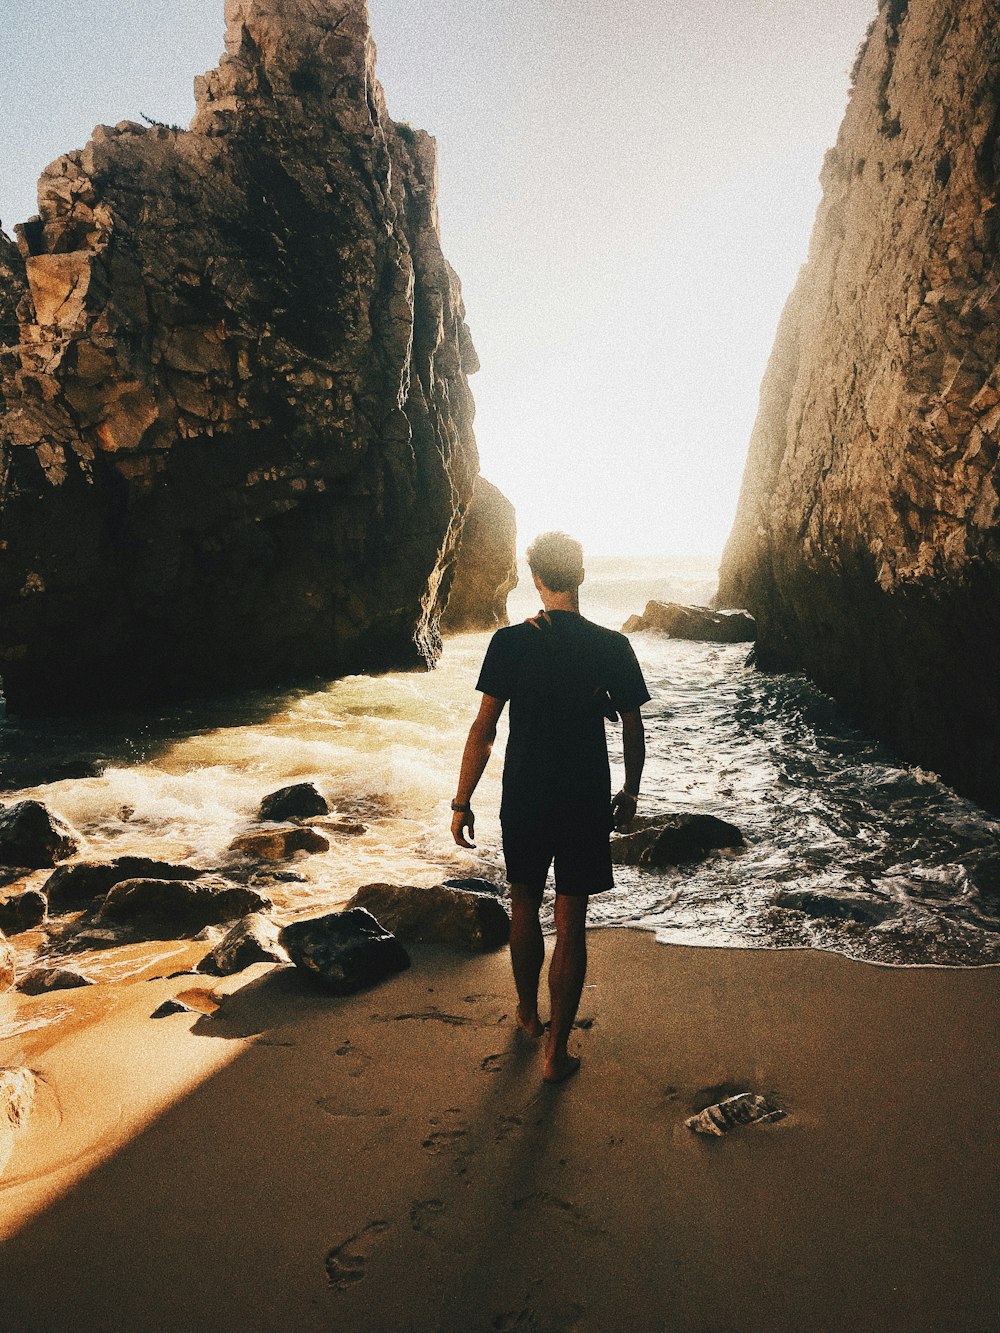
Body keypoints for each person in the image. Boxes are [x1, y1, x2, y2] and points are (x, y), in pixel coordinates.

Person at [450, 531, 650, 1083]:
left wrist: (462, 800)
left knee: (522, 905)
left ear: (536, 578)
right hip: (584, 794)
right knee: (571, 922)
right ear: (582, 574)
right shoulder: (612, 646)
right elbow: (634, 727)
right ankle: (556, 1052)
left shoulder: (511, 642)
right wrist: (631, 791)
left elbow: (484, 730)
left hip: (526, 793)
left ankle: (526, 1013)